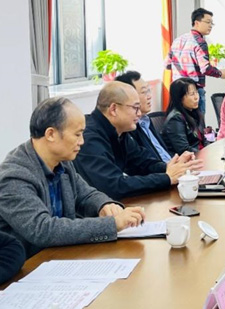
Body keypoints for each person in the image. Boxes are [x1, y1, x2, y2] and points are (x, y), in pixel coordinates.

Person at [0, 98, 145, 257]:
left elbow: (86, 195)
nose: (82, 141)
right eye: (77, 134)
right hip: (28, 266)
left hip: (61, 256)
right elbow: (43, 230)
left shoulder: (62, 162)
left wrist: (104, 205)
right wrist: (112, 224)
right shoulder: (14, 177)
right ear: (51, 134)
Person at [75, 82, 201, 200]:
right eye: (135, 108)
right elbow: (113, 186)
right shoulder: (89, 138)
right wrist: (166, 178)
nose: (139, 114)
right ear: (114, 109)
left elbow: (142, 163)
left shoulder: (120, 132)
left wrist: (173, 167)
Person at [165, 7, 225, 115]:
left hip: (177, 91)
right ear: (196, 23)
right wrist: (221, 73)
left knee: (179, 120)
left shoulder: (178, 40)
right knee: (197, 123)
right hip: (194, 91)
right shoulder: (199, 41)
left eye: (212, 23)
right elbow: (205, 68)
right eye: (208, 22)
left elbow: (167, 65)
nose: (210, 26)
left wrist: (184, 68)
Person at [115, 70, 172, 162]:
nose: (149, 96)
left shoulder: (146, 120)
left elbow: (163, 153)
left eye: (148, 90)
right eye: (144, 92)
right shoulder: (128, 129)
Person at [162, 78, 206, 155]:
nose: (196, 97)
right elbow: (184, 150)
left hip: (200, 155)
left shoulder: (194, 112)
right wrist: (205, 154)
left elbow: (203, 140)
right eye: (192, 94)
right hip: (190, 159)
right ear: (180, 97)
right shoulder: (175, 119)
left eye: (196, 92)